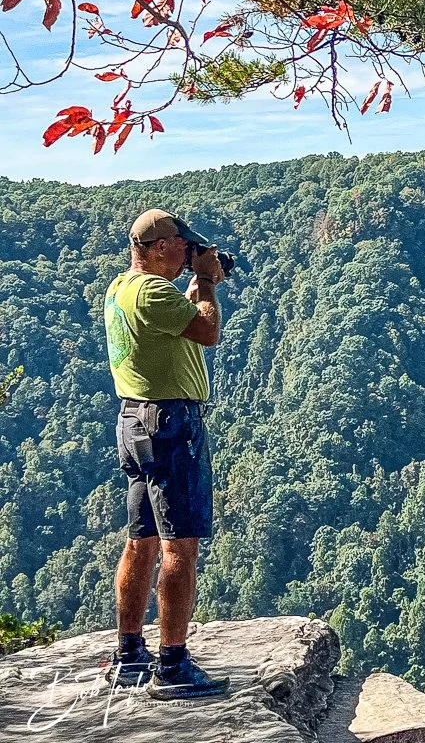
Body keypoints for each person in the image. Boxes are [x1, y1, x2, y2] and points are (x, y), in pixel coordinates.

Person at [102, 208, 229, 700]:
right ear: (156, 247)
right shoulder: (155, 292)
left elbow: (176, 321)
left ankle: (129, 653)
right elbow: (206, 332)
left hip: (134, 420)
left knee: (142, 541)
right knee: (180, 545)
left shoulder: (121, 289)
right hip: (171, 423)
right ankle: (173, 665)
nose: (187, 251)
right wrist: (207, 284)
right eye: (181, 243)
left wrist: (195, 282)